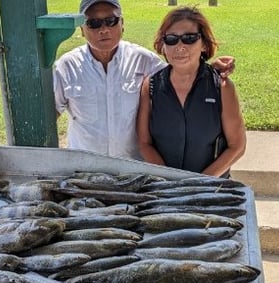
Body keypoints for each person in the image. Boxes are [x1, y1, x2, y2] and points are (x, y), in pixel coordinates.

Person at [54, 0, 235, 161]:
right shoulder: (66, 67)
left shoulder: (143, 60)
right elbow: (49, 114)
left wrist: (210, 68)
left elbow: (180, 72)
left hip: (134, 170)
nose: (104, 29)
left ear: (122, 24)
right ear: (82, 30)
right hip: (85, 169)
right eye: (93, 23)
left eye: (111, 21)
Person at [136, 6, 246, 178]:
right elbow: (144, 143)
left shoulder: (222, 87)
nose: (180, 46)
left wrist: (200, 182)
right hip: (165, 188)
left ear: (203, 44)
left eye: (189, 38)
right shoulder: (150, 87)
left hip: (212, 188)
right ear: (163, 45)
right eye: (171, 39)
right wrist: (169, 181)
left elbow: (237, 146)